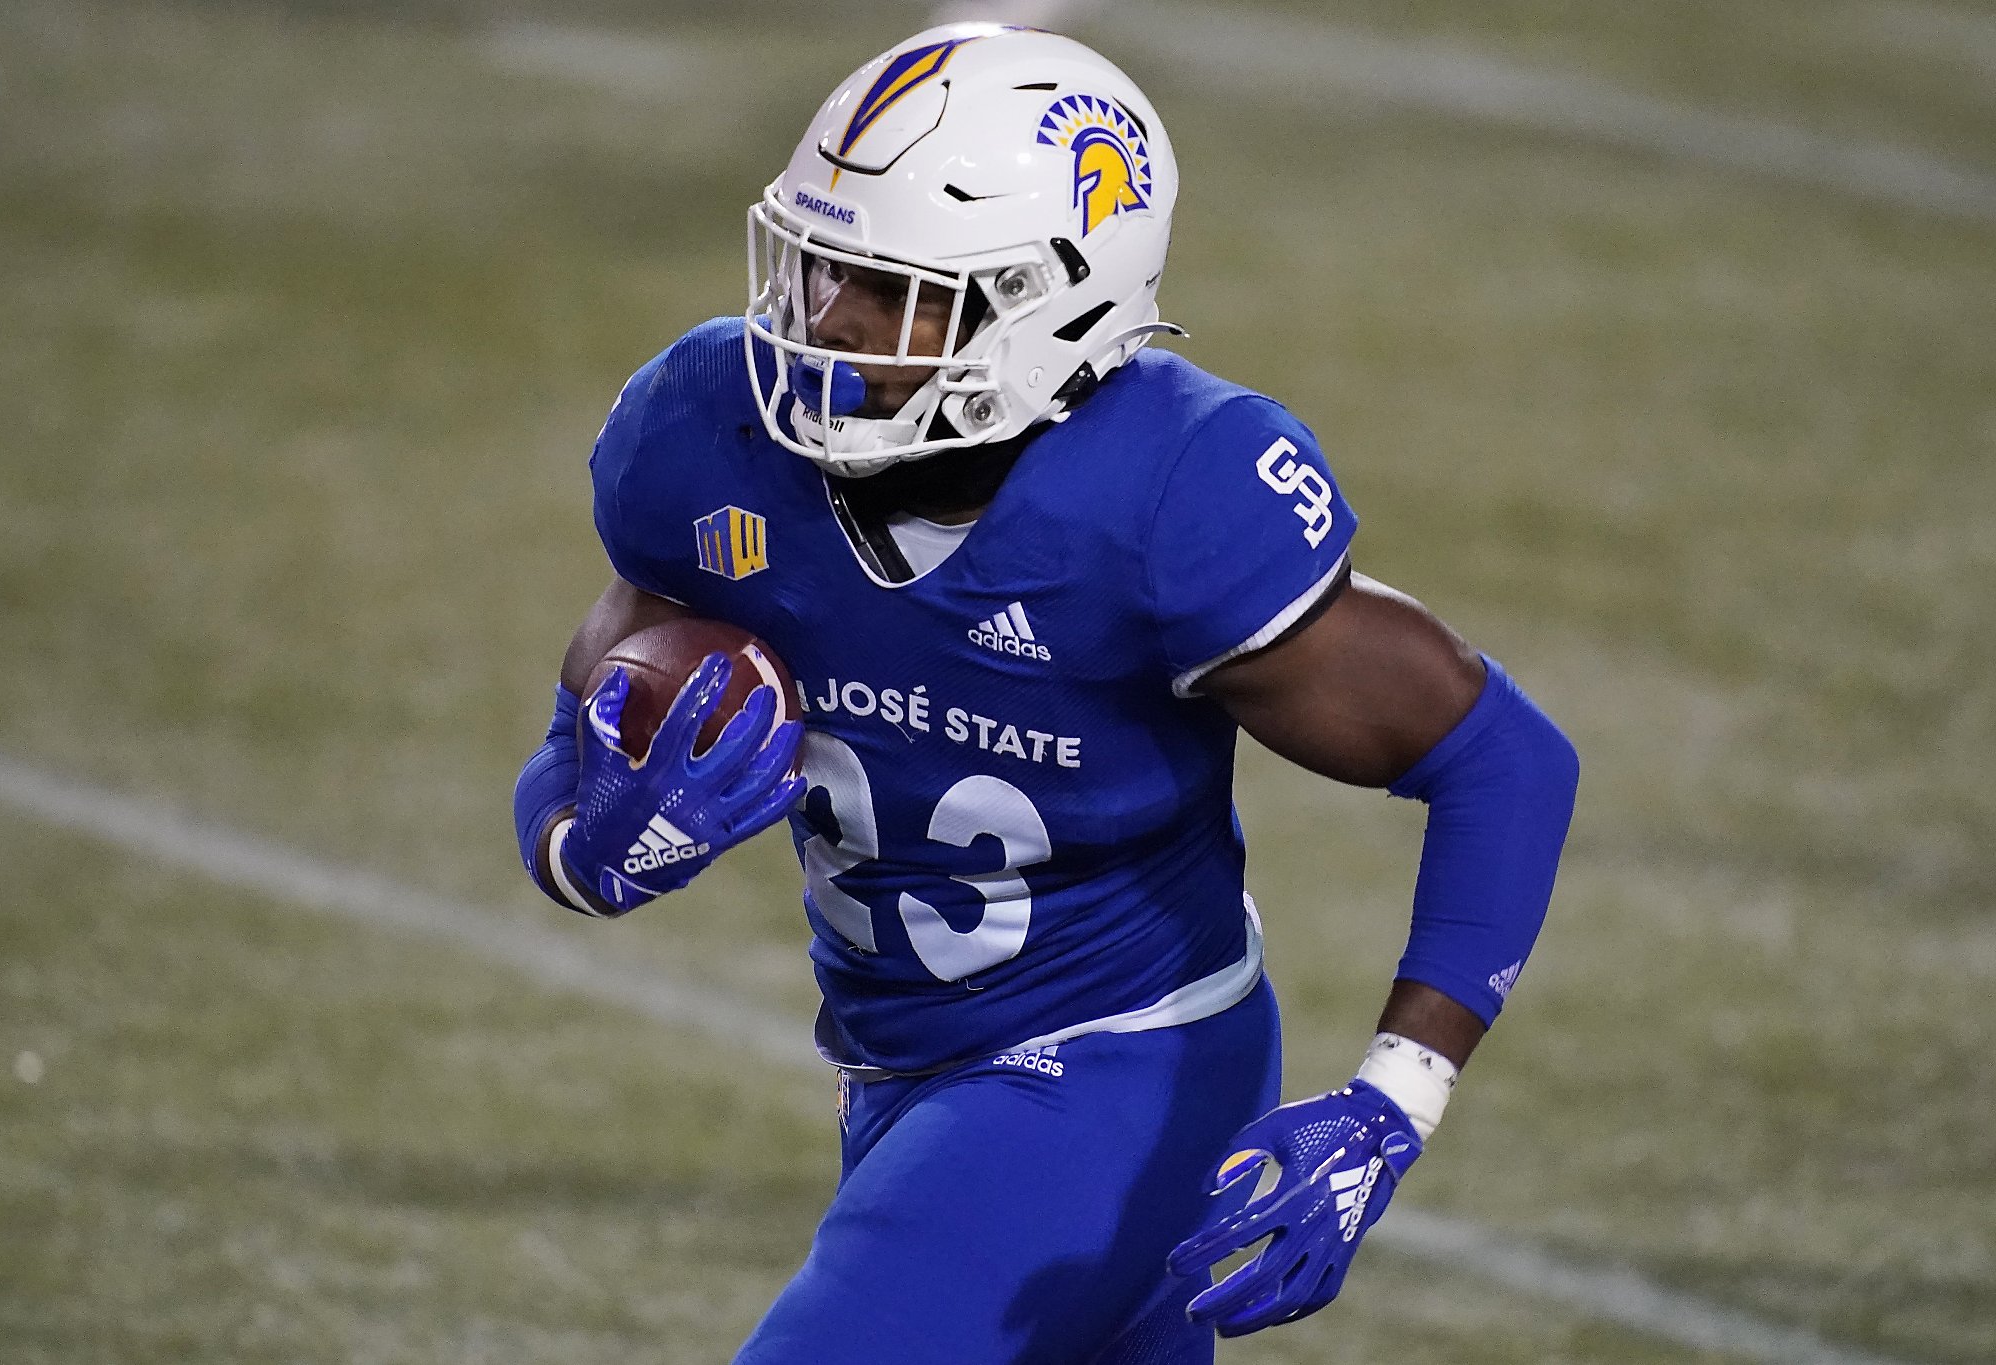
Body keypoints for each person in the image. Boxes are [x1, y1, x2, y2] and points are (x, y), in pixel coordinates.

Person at [512, 23, 1578, 1364]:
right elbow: (600, 681)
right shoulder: (708, 433)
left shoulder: (1167, 497)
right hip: (898, 1074)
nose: (825, 317)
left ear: (1044, 310)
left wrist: (1392, 1101)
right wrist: (581, 843)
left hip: (1119, 1064)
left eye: (892, 290)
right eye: (820, 262)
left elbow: (1504, 757)